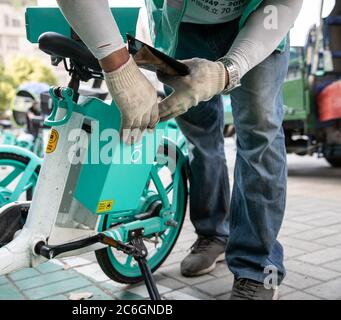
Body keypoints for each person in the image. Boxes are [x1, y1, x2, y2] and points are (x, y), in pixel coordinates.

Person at [56, 0, 303, 300]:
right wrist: (117, 65)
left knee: (260, 135)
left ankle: (256, 267)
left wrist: (228, 70)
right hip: (183, 28)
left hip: (258, 18)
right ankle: (213, 234)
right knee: (199, 137)